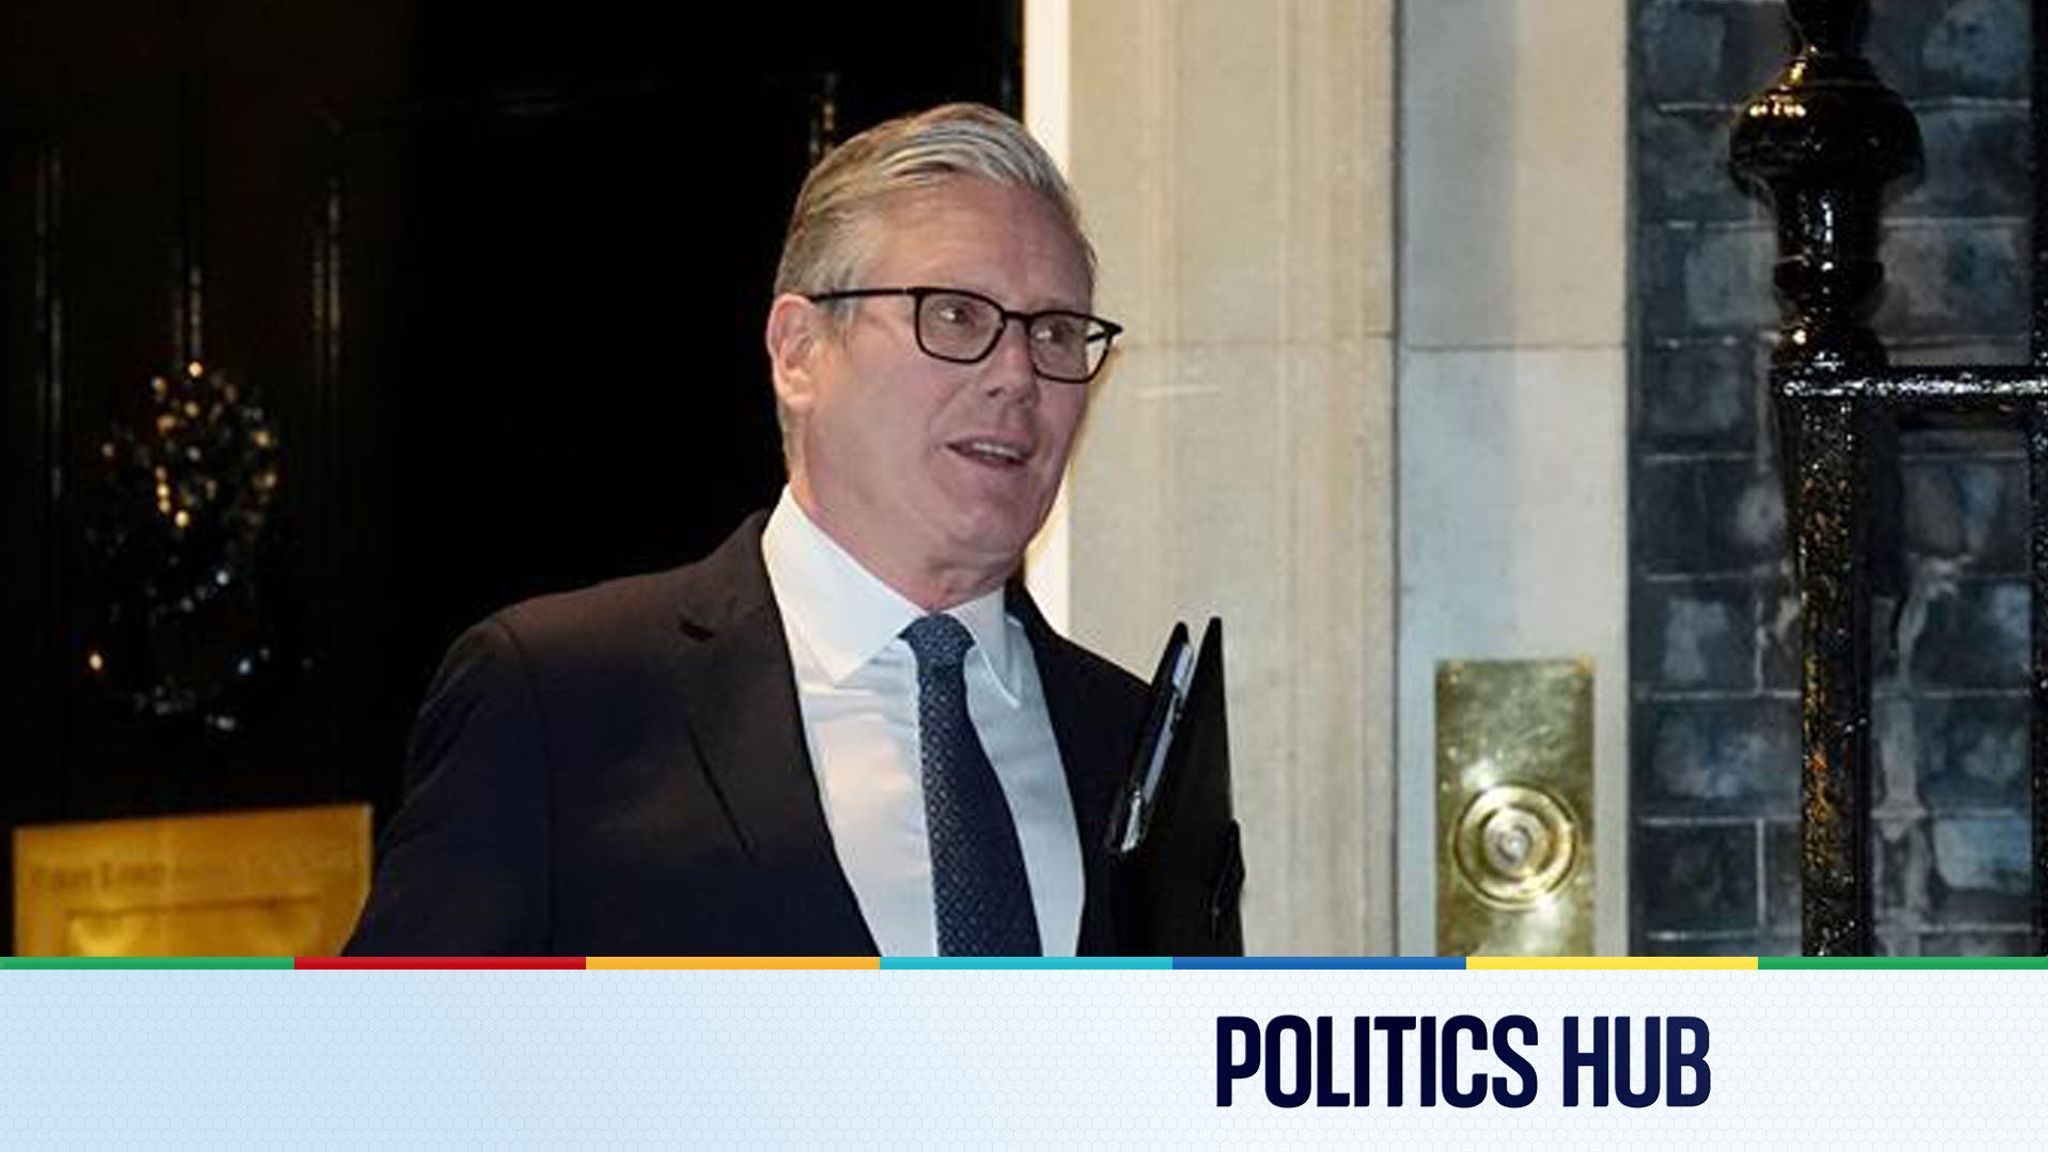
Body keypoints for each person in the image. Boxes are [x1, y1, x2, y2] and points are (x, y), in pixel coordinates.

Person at [346, 102, 1202, 956]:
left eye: (1055, 332)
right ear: (798, 351)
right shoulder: (559, 698)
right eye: (954, 315)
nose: (1017, 374)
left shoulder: (1135, 742)